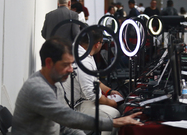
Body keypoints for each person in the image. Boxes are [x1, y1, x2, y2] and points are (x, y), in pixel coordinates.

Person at [11, 37, 143, 135]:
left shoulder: (55, 84)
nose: (70, 69)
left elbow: (63, 125)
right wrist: (115, 122)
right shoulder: (38, 89)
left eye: (71, 64)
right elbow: (67, 117)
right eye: (65, 65)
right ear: (49, 63)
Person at [63, 31, 125, 135]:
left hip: (83, 99)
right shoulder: (83, 62)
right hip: (78, 105)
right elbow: (92, 96)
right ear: (97, 44)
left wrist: (109, 91)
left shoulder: (82, 52)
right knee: (113, 116)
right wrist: (111, 103)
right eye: (102, 42)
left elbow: (94, 79)